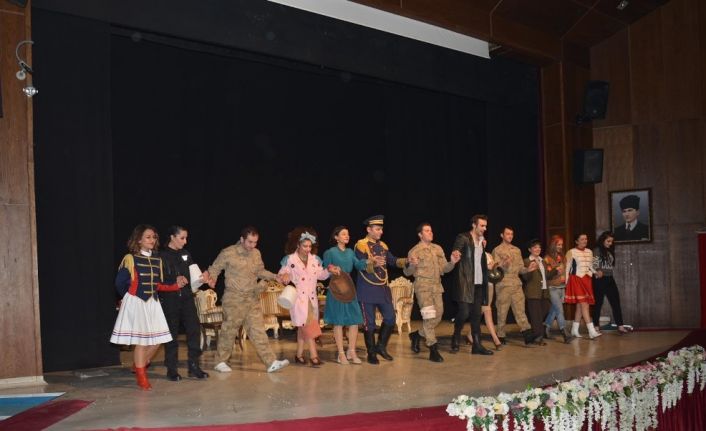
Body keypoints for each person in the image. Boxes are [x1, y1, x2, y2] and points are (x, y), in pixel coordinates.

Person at [205, 226, 290, 373]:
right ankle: (220, 361)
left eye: (255, 242)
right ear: (242, 239)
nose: (253, 245)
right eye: (250, 242)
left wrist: (275, 276)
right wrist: (211, 278)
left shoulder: (256, 253)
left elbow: (260, 271)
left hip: (252, 298)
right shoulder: (228, 252)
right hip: (234, 298)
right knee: (229, 331)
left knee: (258, 331)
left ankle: (271, 362)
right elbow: (215, 268)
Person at [111, 224, 173, 390]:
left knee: (159, 339)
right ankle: (141, 376)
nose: (152, 240)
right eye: (148, 237)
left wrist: (175, 285)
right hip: (137, 302)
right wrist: (128, 297)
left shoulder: (157, 260)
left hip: (153, 303)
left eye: (154, 237)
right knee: (142, 342)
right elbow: (119, 283)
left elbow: (157, 284)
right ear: (139, 240)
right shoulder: (130, 259)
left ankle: (140, 363)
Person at [279, 228, 339, 367]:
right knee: (309, 325)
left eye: (309, 246)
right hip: (299, 299)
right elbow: (282, 275)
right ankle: (314, 356)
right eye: (305, 246)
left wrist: (329, 270)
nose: (307, 249)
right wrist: (285, 276)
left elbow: (321, 275)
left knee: (303, 327)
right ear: (298, 245)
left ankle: (299, 355)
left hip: (312, 299)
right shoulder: (290, 259)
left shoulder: (315, 260)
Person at [354, 215, 408, 364]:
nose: (381, 232)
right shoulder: (361, 245)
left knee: (390, 318)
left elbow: (392, 260)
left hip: (382, 289)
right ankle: (371, 353)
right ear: (369, 229)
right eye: (378, 229)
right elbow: (358, 264)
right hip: (367, 290)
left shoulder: (383, 246)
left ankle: (380, 347)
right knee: (369, 323)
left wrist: (407, 260)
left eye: (381, 229)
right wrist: (372, 263)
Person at [158, 225, 209, 381]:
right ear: (172, 237)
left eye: (186, 238)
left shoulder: (186, 254)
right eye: (182, 238)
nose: (185, 241)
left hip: (187, 298)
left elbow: (194, 276)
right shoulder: (160, 255)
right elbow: (157, 280)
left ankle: (194, 366)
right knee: (171, 335)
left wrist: (203, 278)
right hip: (170, 299)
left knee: (194, 330)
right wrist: (173, 280)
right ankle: (172, 369)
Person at [404, 223, 460, 362]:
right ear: (420, 234)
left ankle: (417, 335)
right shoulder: (414, 251)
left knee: (438, 315)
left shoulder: (437, 248)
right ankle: (433, 349)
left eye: (431, 230)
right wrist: (412, 265)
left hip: (436, 287)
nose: (431, 232)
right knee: (429, 317)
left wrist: (452, 262)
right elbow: (407, 272)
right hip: (423, 288)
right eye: (427, 231)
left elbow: (444, 269)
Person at [322, 226, 368, 365]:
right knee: (339, 321)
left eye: (347, 234)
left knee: (354, 321)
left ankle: (351, 351)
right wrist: (331, 268)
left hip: (349, 287)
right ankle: (341, 353)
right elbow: (326, 267)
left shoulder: (350, 252)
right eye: (343, 234)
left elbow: (358, 265)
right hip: (336, 287)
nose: (347, 236)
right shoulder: (330, 252)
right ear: (336, 237)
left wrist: (368, 261)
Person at [492, 226, 542, 345]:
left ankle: (527, 335)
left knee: (520, 311)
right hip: (503, 285)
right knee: (502, 312)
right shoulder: (497, 250)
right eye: (508, 234)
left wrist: (528, 269)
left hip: (516, 284)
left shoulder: (517, 250)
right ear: (502, 235)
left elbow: (520, 268)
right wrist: (504, 264)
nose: (510, 236)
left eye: (512, 234)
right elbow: (494, 269)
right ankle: (500, 335)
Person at [451, 214, 493, 355]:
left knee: (476, 315)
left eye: (485, 226)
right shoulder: (463, 237)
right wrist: (455, 254)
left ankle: (477, 345)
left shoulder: (482, 241)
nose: (484, 228)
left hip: (479, 283)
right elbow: (456, 250)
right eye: (482, 225)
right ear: (474, 225)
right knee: (464, 312)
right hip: (465, 282)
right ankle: (456, 335)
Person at [592, 231, 631, 334]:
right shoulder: (597, 249)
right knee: (598, 303)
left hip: (609, 278)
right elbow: (594, 262)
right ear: (603, 240)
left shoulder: (609, 251)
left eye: (611, 241)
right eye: (608, 241)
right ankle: (596, 326)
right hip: (599, 279)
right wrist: (598, 270)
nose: (610, 243)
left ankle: (620, 326)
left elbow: (610, 264)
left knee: (615, 302)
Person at [565, 233, 600, 339]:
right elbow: (567, 268)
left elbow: (590, 265)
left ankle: (574, 330)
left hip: (587, 280)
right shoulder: (571, 252)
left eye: (586, 239)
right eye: (582, 239)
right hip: (576, 279)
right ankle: (591, 331)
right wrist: (566, 283)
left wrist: (595, 272)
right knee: (585, 305)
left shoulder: (589, 251)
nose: (585, 241)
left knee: (580, 306)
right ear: (576, 241)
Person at [521, 239, 556, 346]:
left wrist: (555, 270)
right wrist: (530, 270)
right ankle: (538, 338)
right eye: (535, 247)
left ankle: (536, 334)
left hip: (544, 292)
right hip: (533, 293)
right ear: (529, 249)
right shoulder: (526, 261)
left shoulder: (543, 261)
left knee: (542, 313)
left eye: (539, 247)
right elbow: (525, 278)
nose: (538, 249)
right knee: (536, 317)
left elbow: (546, 276)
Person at [543, 235, 574, 343]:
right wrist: (556, 271)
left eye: (561, 244)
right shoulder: (547, 259)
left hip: (562, 287)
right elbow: (546, 275)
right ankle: (564, 332)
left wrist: (566, 282)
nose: (560, 246)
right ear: (553, 245)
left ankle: (545, 327)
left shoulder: (563, 257)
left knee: (554, 310)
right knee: (560, 310)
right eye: (558, 244)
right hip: (552, 288)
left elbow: (566, 272)